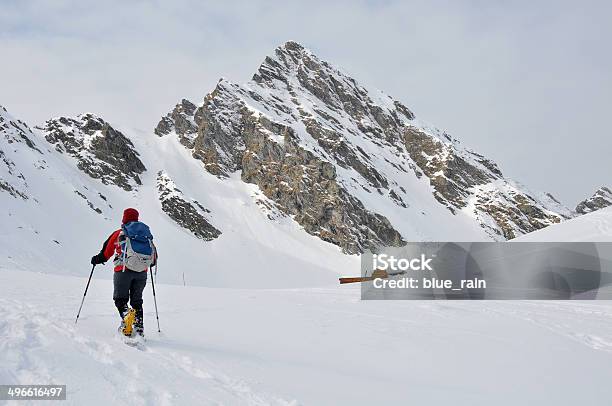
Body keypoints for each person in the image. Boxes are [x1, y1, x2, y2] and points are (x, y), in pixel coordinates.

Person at [90, 208, 157, 337]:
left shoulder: (120, 233)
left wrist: (96, 260)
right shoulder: (146, 235)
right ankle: (139, 328)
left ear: (124, 218)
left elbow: (105, 253)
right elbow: (153, 259)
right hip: (141, 273)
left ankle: (127, 318)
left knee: (120, 299)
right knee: (137, 301)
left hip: (123, 271)